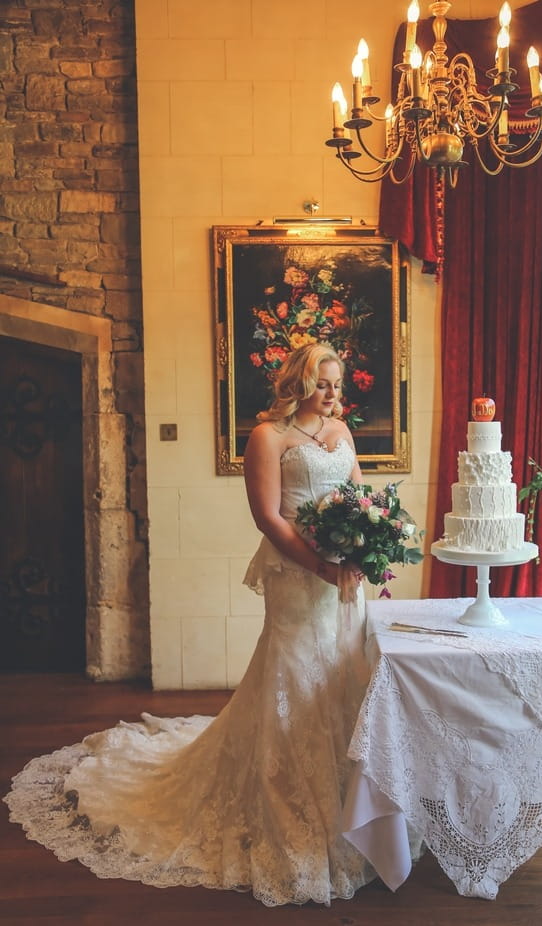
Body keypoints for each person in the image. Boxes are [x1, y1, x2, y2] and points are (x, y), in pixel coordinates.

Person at [3, 342, 374, 907]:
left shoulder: (342, 434)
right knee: (295, 675)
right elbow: (269, 517)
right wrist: (320, 564)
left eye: (336, 383)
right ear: (299, 381)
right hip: (298, 578)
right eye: (322, 382)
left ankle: (354, 808)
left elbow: (361, 499)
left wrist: (362, 549)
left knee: (346, 676)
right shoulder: (267, 437)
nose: (331, 392)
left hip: (345, 580)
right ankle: (290, 809)